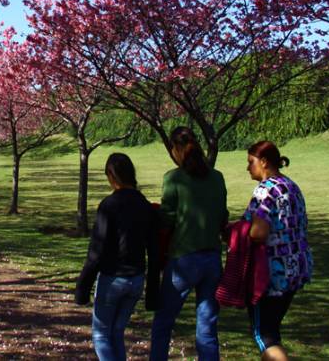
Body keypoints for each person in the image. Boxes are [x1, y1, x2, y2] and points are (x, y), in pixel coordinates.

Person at [150, 127, 228, 361]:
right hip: (212, 258)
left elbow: (167, 218)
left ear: (176, 149)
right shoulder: (217, 177)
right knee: (207, 327)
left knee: (163, 323)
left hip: (184, 259)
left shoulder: (174, 178)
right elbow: (222, 215)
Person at [75, 153, 159, 361]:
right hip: (136, 280)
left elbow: (97, 251)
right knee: (116, 334)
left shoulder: (109, 205)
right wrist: (152, 291)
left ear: (112, 176)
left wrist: (83, 287)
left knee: (101, 335)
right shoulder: (145, 205)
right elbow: (154, 249)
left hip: (113, 278)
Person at [243, 141, 312, 361]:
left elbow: (258, 232)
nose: (248, 168)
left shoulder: (265, 190)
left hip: (273, 273)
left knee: (265, 335)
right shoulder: (290, 185)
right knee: (272, 328)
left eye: (250, 162)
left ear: (263, 162)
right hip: (296, 267)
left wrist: (238, 232)